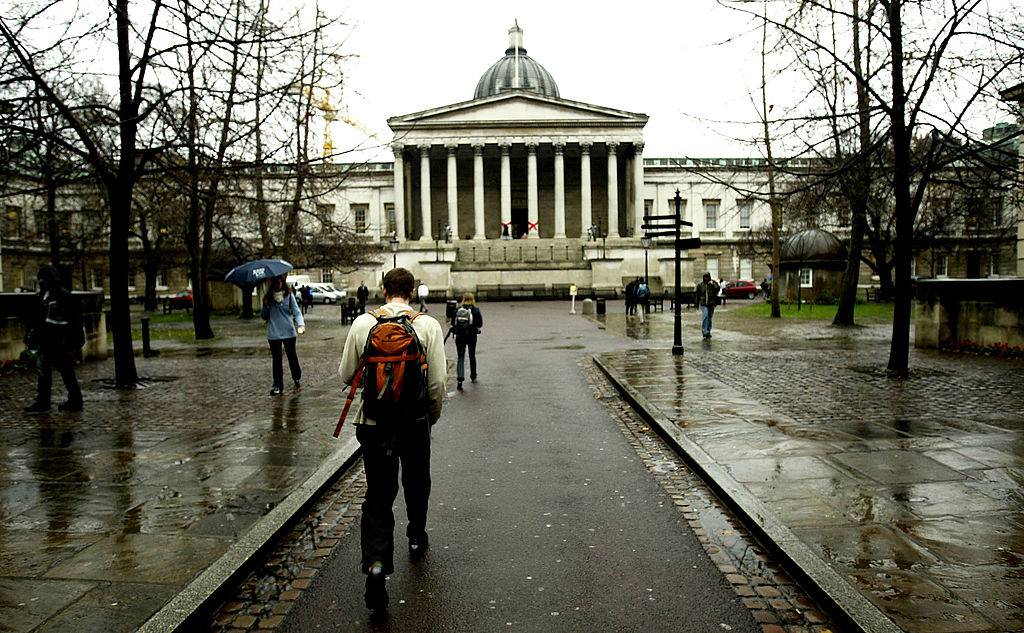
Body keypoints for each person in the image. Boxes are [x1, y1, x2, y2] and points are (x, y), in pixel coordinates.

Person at [338, 267, 446, 615]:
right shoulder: (427, 325)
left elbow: (344, 375)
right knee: (416, 481)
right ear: (412, 291)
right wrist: (432, 415)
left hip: (372, 423)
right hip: (413, 422)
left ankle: (375, 571)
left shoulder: (362, 324)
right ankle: (416, 534)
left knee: (378, 497)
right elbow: (437, 385)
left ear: (383, 291)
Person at [23, 266, 84, 414]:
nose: (41, 282)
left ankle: (70, 401)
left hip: (60, 342)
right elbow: (38, 320)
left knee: (64, 372)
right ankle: (48, 402)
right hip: (48, 341)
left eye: (43, 279)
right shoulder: (44, 296)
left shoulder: (63, 297)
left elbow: (75, 322)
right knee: (48, 372)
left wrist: (73, 345)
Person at [261, 276, 304, 395]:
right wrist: (265, 305)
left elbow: (296, 311)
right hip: (274, 332)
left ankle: (296, 376)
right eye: (275, 282)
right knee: (276, 359)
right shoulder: (268, 298)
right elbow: (264, 316)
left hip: (288, 331)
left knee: (291, 355)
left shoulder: (289, 296)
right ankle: (277, 385)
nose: (277, 285)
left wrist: (301, 324)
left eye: (279, 282)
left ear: (282, 283)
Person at [451, 292, 483, 391]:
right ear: (473, 300)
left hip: (460, 336)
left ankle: (460, 379)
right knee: (472, 355)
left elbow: (453, 323)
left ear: (463, 300)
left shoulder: (457, 310)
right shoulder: (476, 310)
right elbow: (480, 324)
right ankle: (473, 376)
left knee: (461, 356)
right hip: (471, 336)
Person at [695, 272, 720, 340]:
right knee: (705, 316)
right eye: (705, 277)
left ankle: (708, 331)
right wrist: (697, 304)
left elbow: (718, 289)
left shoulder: (712, 283)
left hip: (711, 303)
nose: (706, 278)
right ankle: (704, 332)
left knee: (709, 318)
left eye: (707, 277)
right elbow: (697, 295)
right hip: (704, 304)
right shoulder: (700, 285)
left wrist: (713, 284)